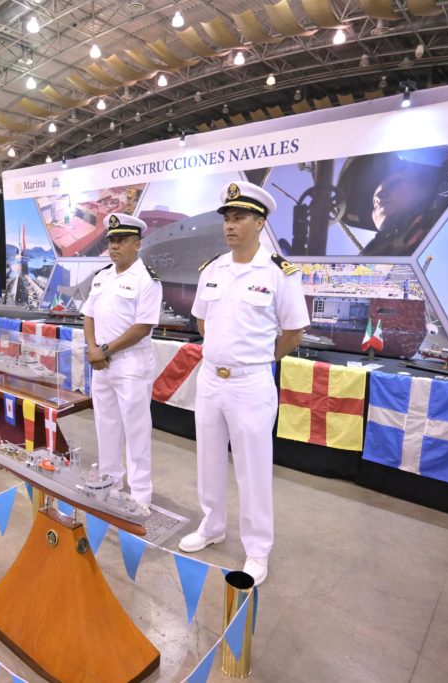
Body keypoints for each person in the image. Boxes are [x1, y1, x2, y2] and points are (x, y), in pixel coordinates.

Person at [178, 181, 310, 587]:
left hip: (250, 384)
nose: (230, 226)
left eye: (239, 218)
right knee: (209, 459)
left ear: (260, 223)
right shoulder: (213, 269)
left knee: (252, 470)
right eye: (227, 219)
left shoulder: (278, 273)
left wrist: (256, 360)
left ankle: (257, 550)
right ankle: (212, 525)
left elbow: (293, 332)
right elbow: (202, 321)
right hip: (210, 380)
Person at [81, 213, 163, 506]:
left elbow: (143, 327)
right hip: (101, 364)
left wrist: (104, 351)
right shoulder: (102, 276)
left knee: (136, 431)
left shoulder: (147, 280)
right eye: (111, 240)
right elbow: (88, 315)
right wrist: (93, 349)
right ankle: (110, 483)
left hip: (130, 365)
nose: (114, 246)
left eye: (121, 240)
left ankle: (140, 495)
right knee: (106, 426)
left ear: (137, 244)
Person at [337, 145, 448, 257]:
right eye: (374, 203)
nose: (378, 197)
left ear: (429, 182)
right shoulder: (378, 252)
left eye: (393, 184)